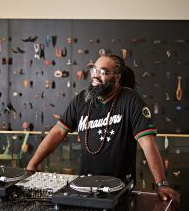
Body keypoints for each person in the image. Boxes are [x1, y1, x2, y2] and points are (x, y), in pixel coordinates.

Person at [27, 53, 180, 209]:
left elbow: (147, 143)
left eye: (103, 72)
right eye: (94, 70)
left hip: (120, 191)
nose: (95, 75)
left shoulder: (131, 100)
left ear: (117, 77)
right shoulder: (82, 99)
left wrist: (162, 183)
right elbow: (58, 132)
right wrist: (31, 165)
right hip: (84, 188)